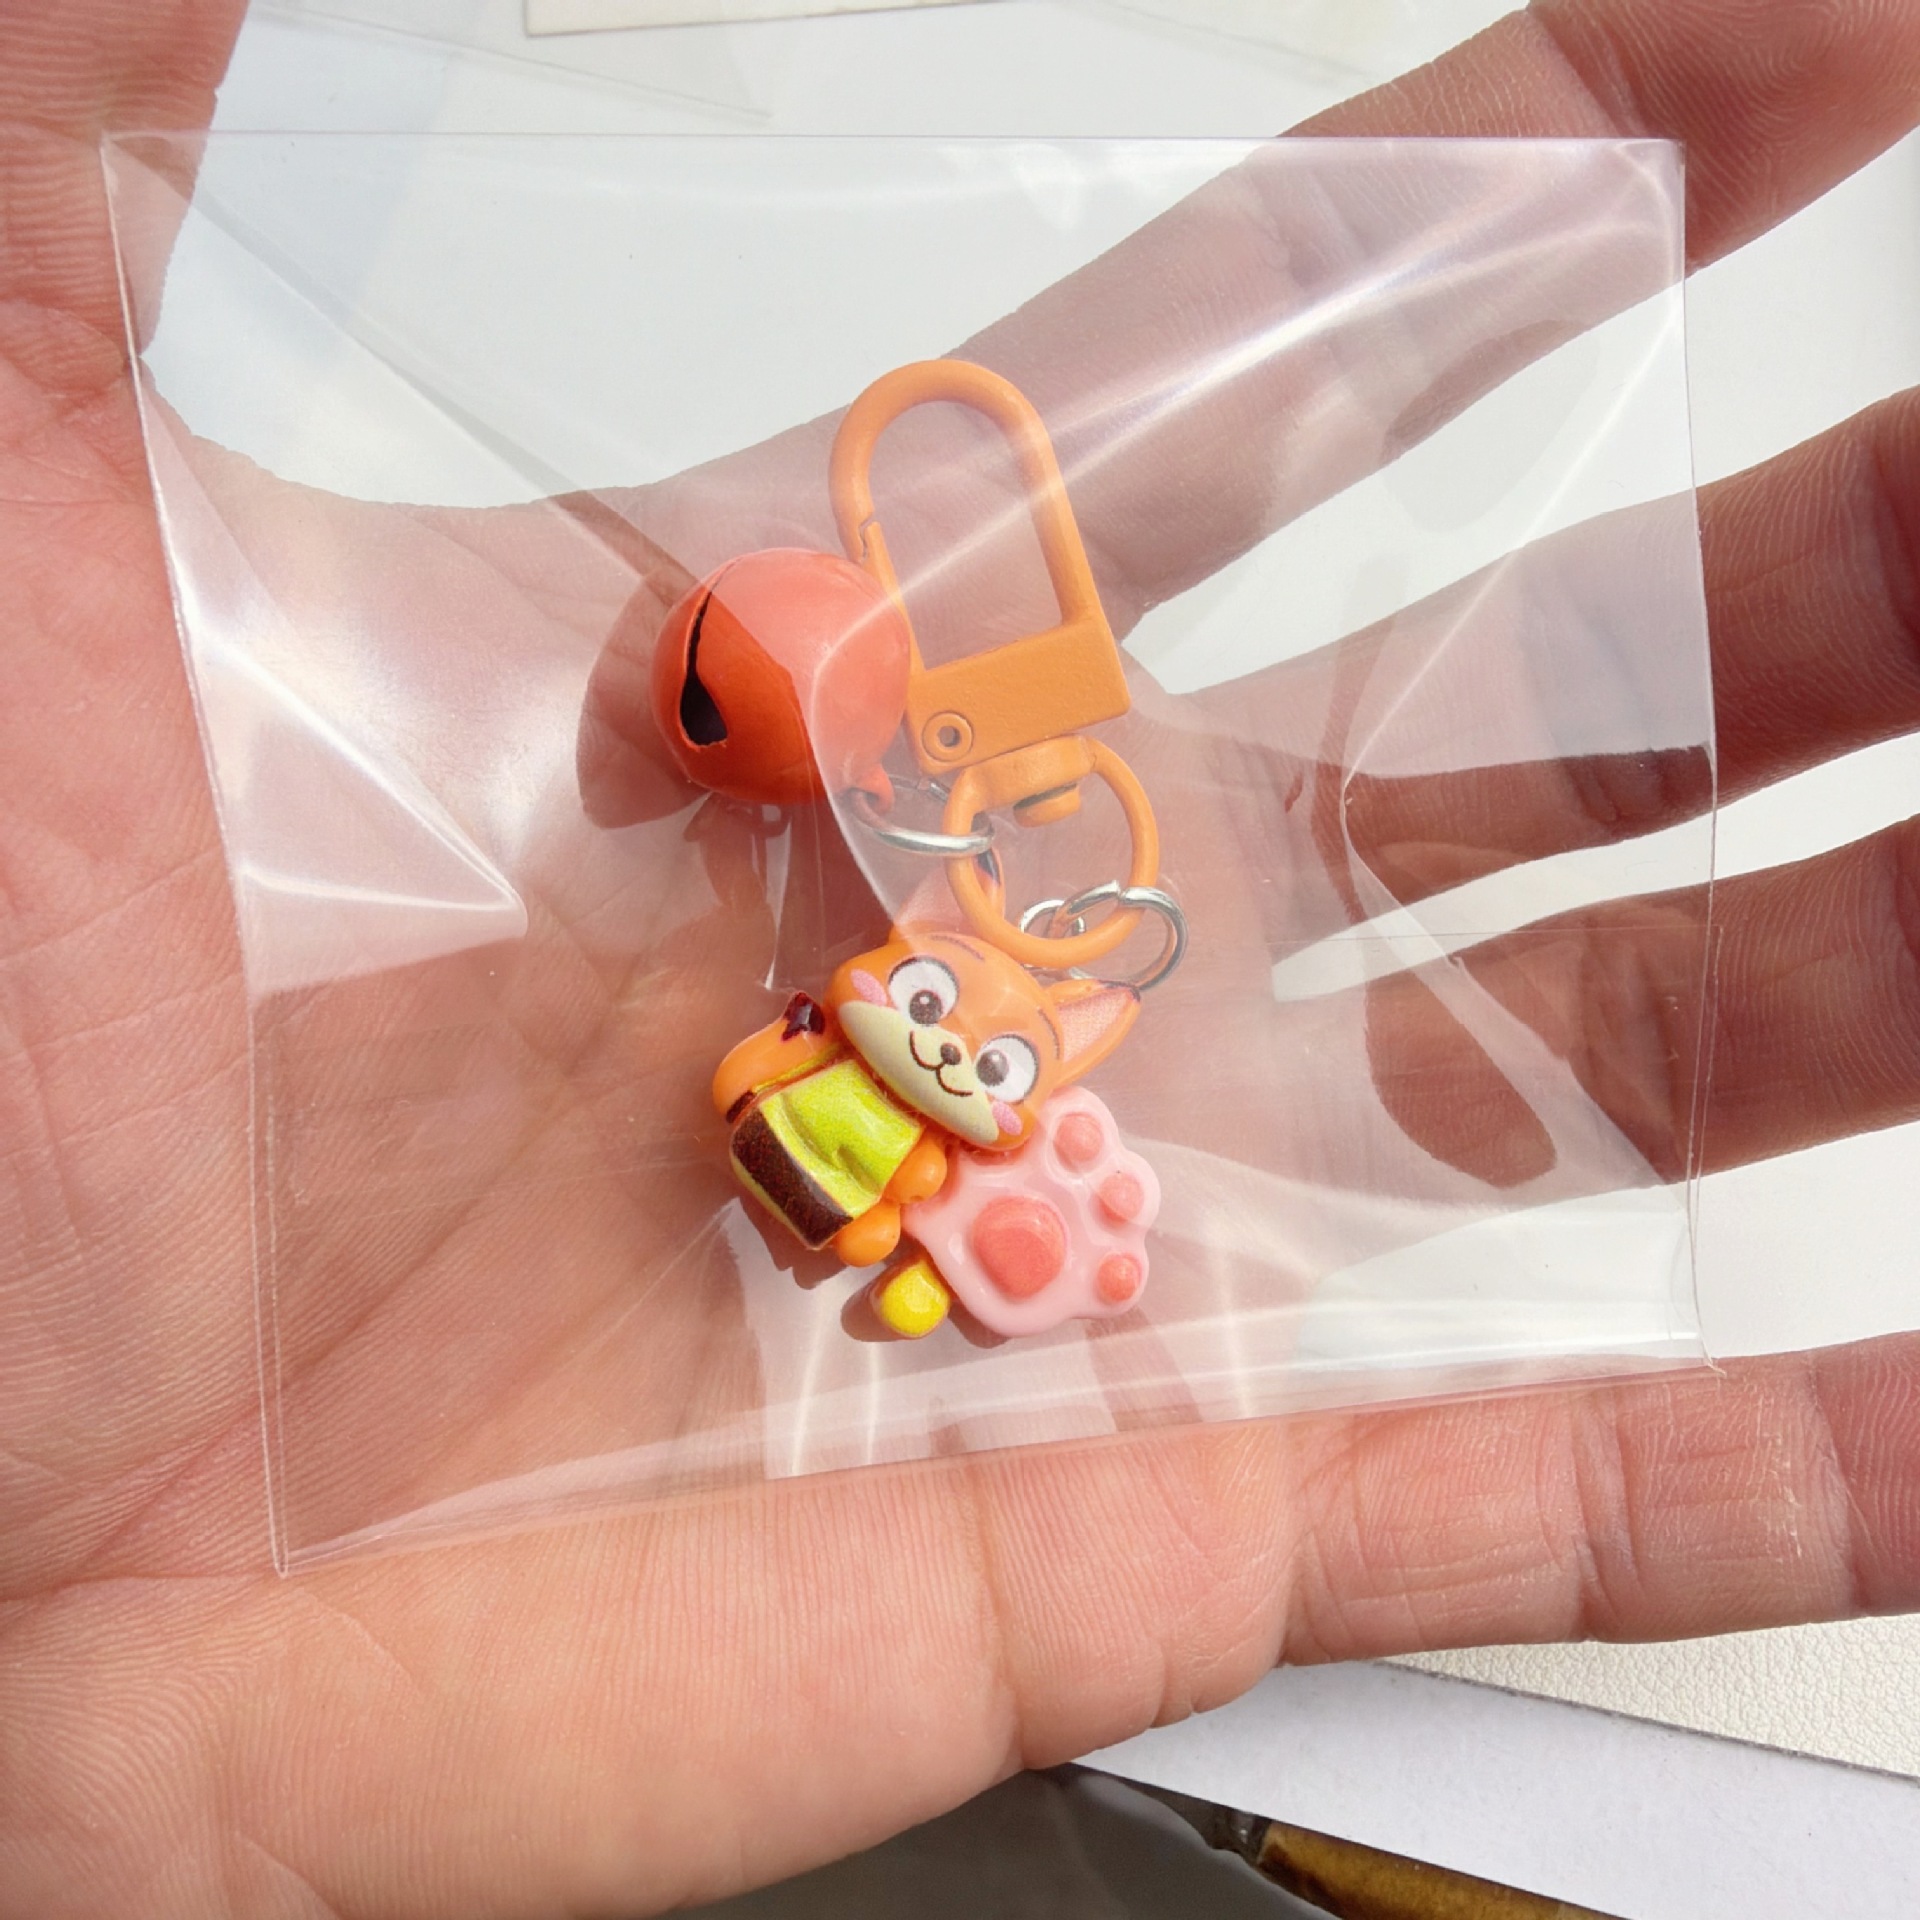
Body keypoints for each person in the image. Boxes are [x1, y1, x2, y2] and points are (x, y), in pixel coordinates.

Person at [5, 2, 1920, 1913]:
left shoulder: (954, 996)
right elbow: (793, 1050)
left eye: (978, 1053)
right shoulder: (860, 981)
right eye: (936, 1010)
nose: (942, 1044)